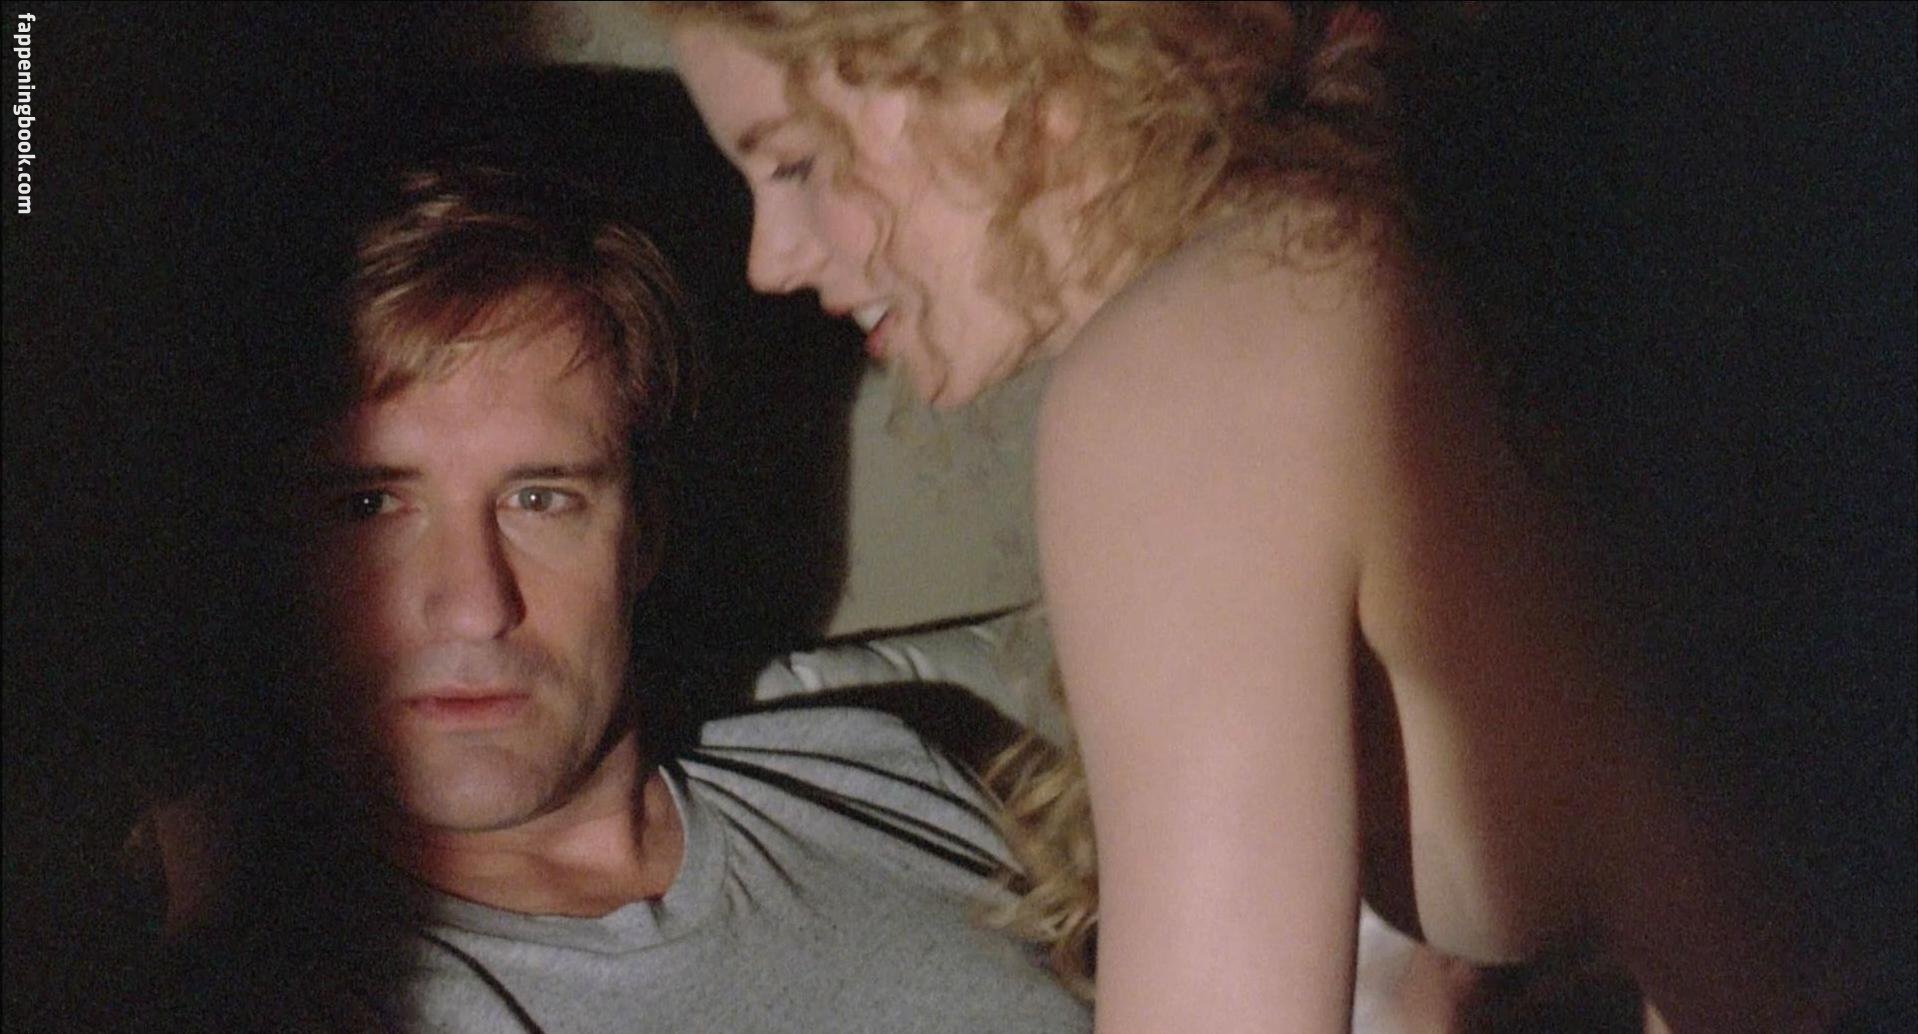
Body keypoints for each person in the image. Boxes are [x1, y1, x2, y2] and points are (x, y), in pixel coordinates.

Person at [653, 4, 1861, 1032]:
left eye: (795, 162)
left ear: (987, 61)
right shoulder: (1340, 241)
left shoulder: (1194, 361)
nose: (768, 258)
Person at [143, 159, 1092, 1034]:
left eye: (540, 499)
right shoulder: (276, 989)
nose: (474, 605)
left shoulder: (890, 770)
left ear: (642, 531)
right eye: (371, 505)